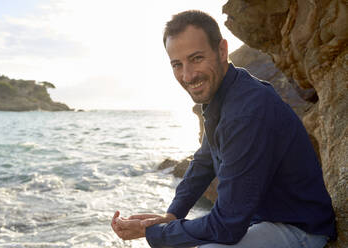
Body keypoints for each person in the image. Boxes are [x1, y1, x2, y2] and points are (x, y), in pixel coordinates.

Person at [111, 10, 337, 248]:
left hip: (299, 229)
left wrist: (153, 233)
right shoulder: (224, 95)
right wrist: (172, 215)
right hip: (262, 220)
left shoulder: (247, 112)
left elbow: (227, 225)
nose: (187, 75)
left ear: (221, 51)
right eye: (177, 64)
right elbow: (204, 161)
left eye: (196, 58)